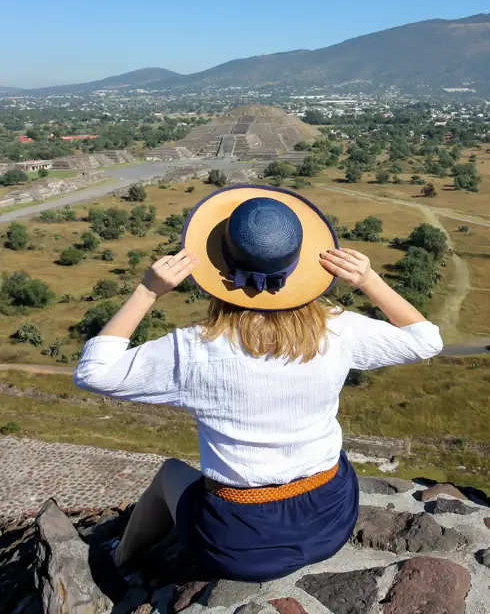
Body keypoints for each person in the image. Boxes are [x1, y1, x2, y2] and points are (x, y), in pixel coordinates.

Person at [74, 184, 443, 582]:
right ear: (298, 266)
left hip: (239, 546)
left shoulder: (195, 349)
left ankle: (119, 560)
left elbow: (94, 372)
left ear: (219, 266)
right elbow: (427, 341)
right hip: (331, 517)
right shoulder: (338, 330)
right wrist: (369, 279)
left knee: (169, 473)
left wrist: (148, 290)